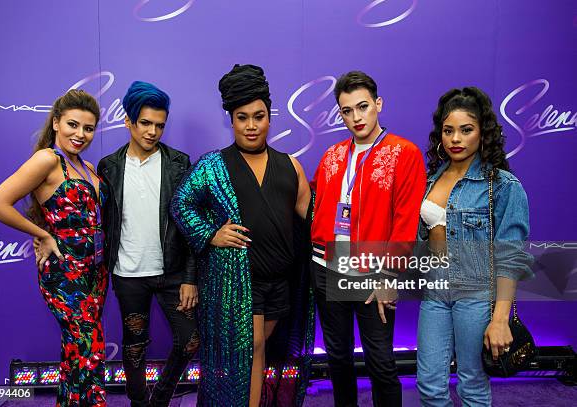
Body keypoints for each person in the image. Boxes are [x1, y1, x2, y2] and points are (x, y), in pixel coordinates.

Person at [171, 64, 314, 406]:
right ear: (231, 120)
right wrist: (211, 233)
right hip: (238, 284)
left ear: (269, 117)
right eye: (242, 117)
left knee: (259, 350)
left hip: (281, 281)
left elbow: (312, 218)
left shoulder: (290, 165)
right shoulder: (213, 165)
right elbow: (180, 204)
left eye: (259, 116)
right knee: (252, 350)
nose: (251, 125)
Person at [310, 71, 426, 406]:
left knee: (380, 362)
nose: (356, 117)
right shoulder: (332, 154)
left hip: (374, 271)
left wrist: (391, 274)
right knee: (338, 358)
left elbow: (406, 220)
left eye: (363, 107)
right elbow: (314, 204)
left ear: (378, 104)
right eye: (347, 110)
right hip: (327, 265)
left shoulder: (404, 153)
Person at [0, 89, 108, 406]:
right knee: (87, 345)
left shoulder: (88, 167)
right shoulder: (47, 159)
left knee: (77, 350)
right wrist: (43, 234)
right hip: (63, 272)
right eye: (72, 124)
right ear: (55, 123)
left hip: (95, 272)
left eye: (89, 128)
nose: (80, 134)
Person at [416, 87, 533, 406]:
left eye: (466, 130)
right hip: (435, 293)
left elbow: (510, 259)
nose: (456, 138)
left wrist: (499, 319)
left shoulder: (503, 186)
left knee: (472, 385)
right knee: (429, 385)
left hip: (476, 296)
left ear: (483, 133)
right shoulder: (431, 179)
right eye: (448, 130)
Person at [97, 81, 199, 407]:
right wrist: (44, 236)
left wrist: (189, 278)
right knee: (135, 345)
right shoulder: (109, 167)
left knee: (191, 341)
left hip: (171, 273)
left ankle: (161, 397)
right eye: (145, 123)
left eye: (159, 125)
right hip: (128, 274)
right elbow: (89, 214)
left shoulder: (179, 164)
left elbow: (192, 226)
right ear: (128, 121)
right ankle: (139, 402)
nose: (153, 131)